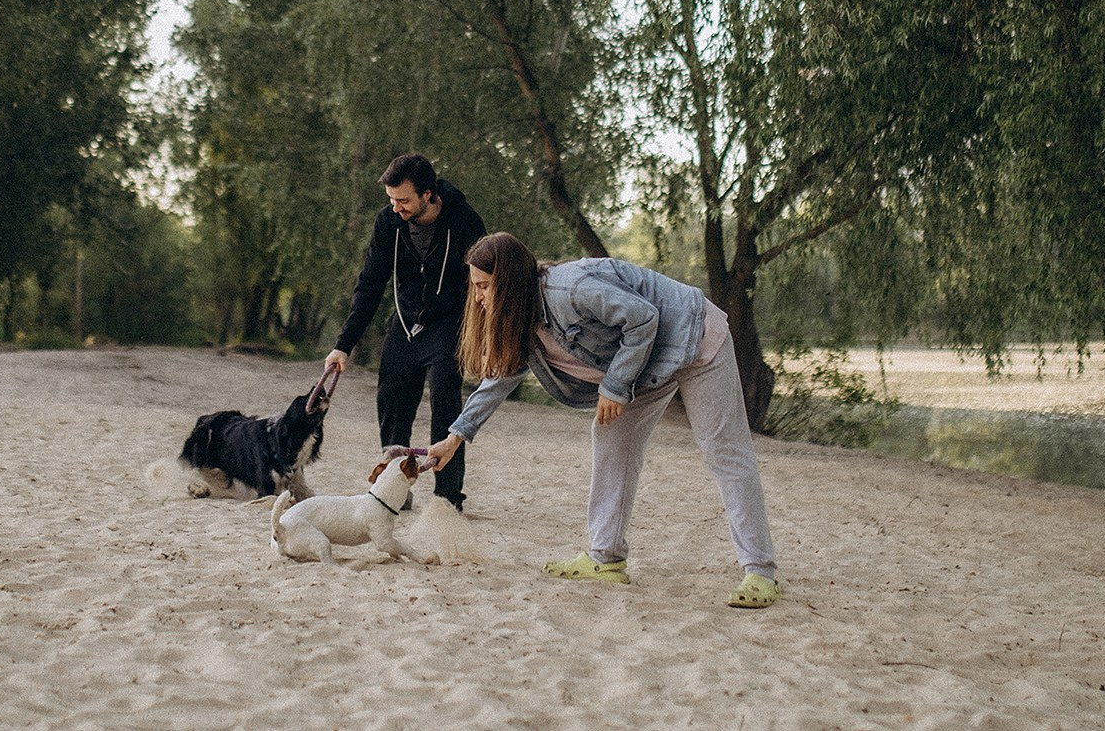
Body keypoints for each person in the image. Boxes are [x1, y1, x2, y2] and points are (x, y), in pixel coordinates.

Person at [425, 232, 781, 608]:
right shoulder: (522, 316)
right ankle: (605, 558)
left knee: (724, 452)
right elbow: (500, 378)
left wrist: (613, 386)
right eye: (475, 287)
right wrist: (454, 438)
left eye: (484, 286)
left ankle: (760, 570)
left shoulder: (570, 290)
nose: (477, 298)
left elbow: (643, 318)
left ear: (510, 282)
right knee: (611, 439)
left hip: (693, 338)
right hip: (645, 365)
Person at [322, 154, 487, 510]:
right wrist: (343, 346)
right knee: (392, 396)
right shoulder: (387, 223)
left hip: (448, 323)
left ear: (428, 194)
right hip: (404, 318)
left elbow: (483, 287)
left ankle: (447, 496)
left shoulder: (466, 221)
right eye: (391, 199)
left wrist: (484, 341)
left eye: (404, 200)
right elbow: (369, 285)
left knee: (445, 400)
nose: (396, 207)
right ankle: (396, 486)